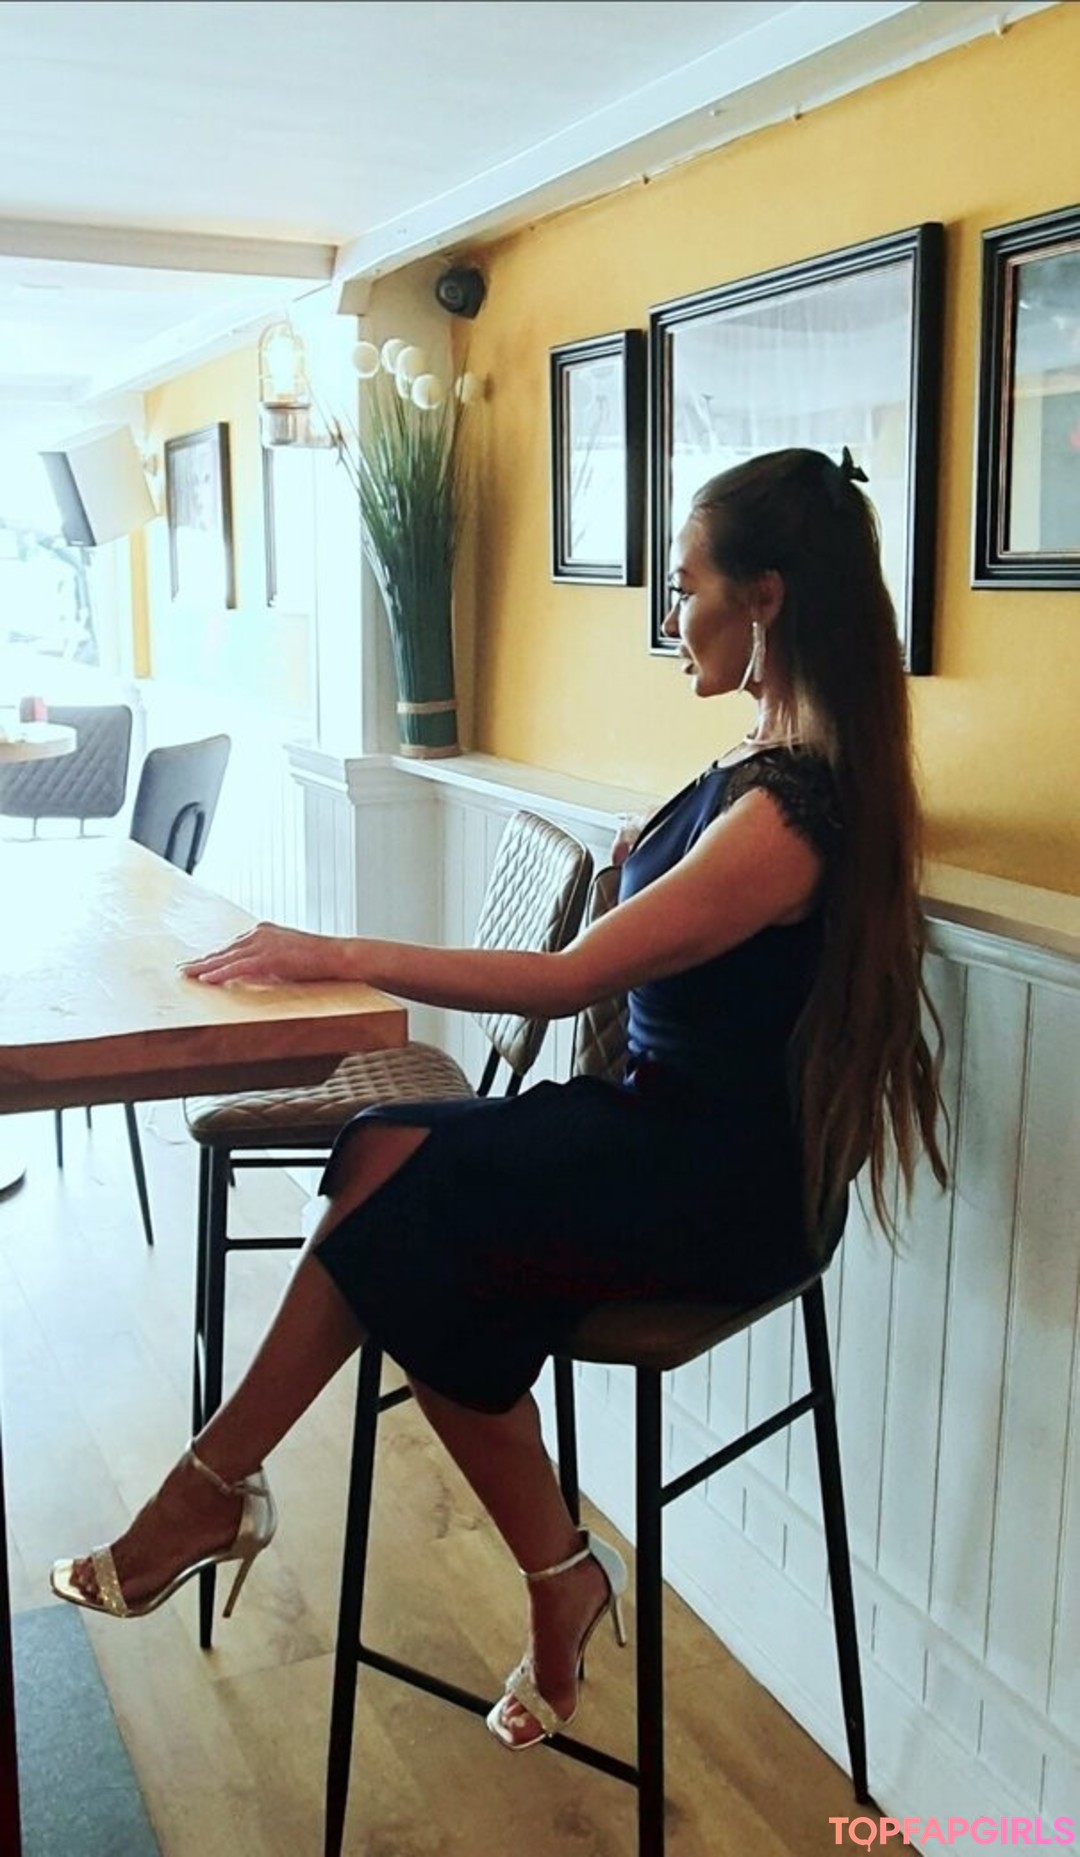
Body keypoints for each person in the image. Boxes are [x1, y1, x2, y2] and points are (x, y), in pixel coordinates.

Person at [50, 445, 947, 1753]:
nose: (672, 616)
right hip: (657, 1134)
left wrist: (337, 948)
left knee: (412, 1220)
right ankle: (303, 1509)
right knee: (377, 1150)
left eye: (686, 585)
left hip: (722, 1189)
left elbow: (566, 979)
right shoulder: (763, 762)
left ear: (764, 598)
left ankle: (259, 1506)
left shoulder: (789, 820)